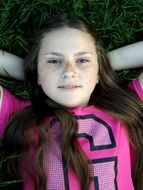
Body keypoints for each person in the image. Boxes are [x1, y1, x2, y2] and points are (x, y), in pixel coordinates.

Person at [0, 15, 143, 190]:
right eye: (54, 61)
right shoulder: (15, 115)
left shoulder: (124, 109)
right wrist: (31, 73)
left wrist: (104, 65)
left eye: (82, 60)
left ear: (98, 71)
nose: (69, 71)